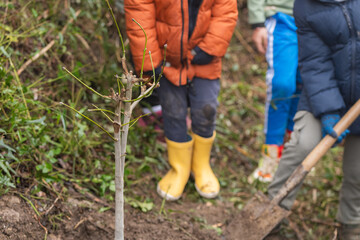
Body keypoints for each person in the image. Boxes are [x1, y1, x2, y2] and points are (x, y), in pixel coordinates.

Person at [124, 0, 238, 200]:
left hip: (204, 58)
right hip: (167, 58)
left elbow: (226, 10)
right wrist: (149, 58)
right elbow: (139, 10)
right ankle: (179, 169)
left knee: (206, 108)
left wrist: (211, 47)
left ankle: (201, 165)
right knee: (173, 112)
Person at [267, 0, 360, 238]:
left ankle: (351, 228)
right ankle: (269, 215)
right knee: (303, 144)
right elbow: (315, 62)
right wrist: (328, 110)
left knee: (357, 170)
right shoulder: (306, 7)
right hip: (324, 91)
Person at [247, 0, 302, 183]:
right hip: (281, 17)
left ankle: (289, 153)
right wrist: (257, 22)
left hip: (316, 21)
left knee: (304, 85)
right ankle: (270, 155)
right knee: (283, 85)